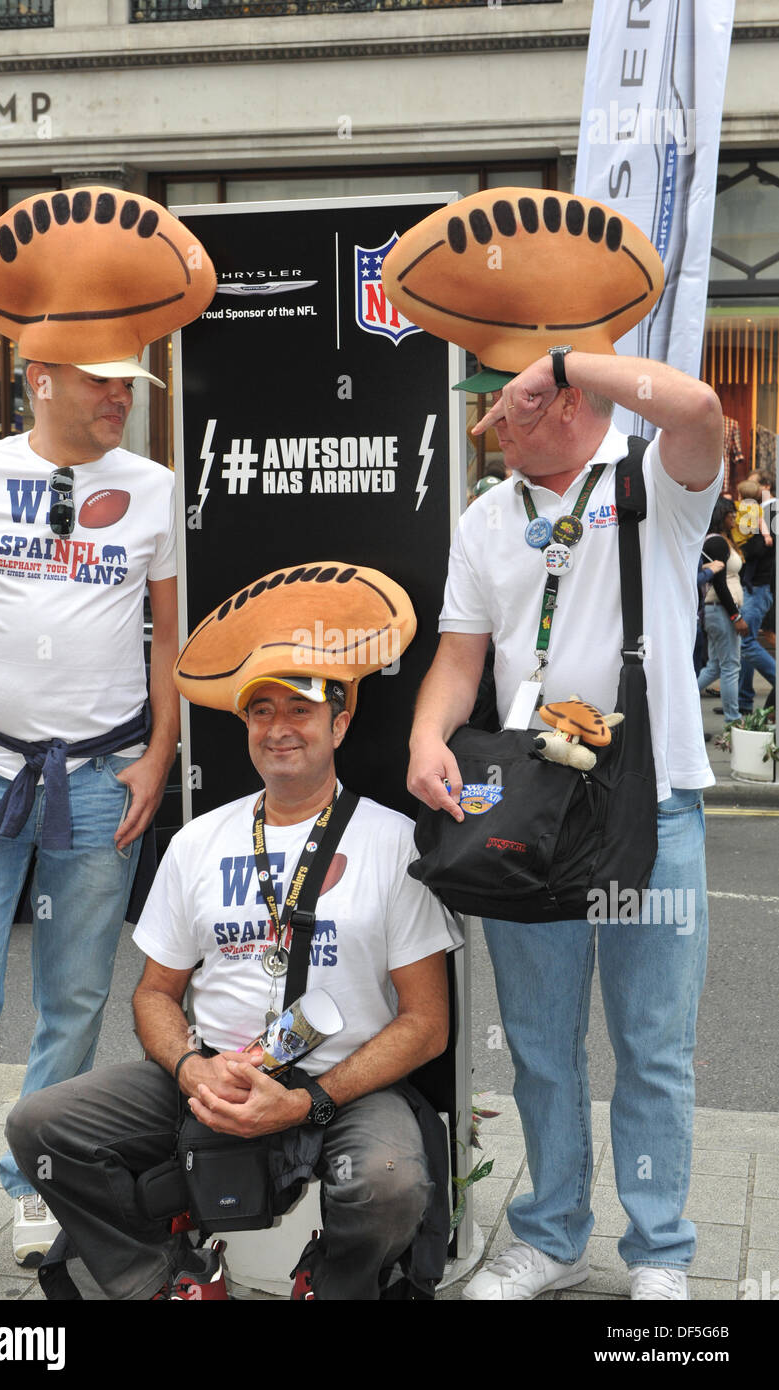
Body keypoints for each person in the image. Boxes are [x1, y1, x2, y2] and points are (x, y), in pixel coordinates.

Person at [408, 347, 723, 1301]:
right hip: (529, 813)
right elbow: (461, 658)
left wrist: (555, 357)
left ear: (570, 401)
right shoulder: (484, 516)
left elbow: (699, 404)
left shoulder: (652, 482)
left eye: (511, 406)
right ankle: (549, 1236)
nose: (494, 424)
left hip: (650, 805)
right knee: (540, 1045)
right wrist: (428, 737)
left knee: (651, 1047)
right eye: (491, 409)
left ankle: (659, 1250)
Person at [6, 665, 458, 1300]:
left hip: (345, 1086)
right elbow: (154, 994)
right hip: (214, 1073)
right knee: (40, 1124)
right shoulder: (198, 842)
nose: (279, 729)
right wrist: (192, 1069)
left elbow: (426, 1023)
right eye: (261, 712)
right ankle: (171, 1280)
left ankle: (330, 1282)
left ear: (340, 723)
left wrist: (308, 1100)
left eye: (299, 711)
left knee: (388, 1180)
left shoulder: (394, 841)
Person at [0, 357, 180, 1297]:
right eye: (101, 385)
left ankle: (37, 1181)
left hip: (105, 779)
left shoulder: (151, 488)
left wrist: (158, 754)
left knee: (73, 1004)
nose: (119, 402)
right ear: (40, 379)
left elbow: (169, 638)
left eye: (129, 391)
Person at [697, 497, 748, 724]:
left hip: (718, 611)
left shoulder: (721, 541)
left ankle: (680, 700)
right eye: (731, 514)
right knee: (730, 666)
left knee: (716, 666)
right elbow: (719, 583)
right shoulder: (716, 542)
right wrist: (735, 615)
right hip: (721, 610)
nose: (734, 518)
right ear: (720, 516)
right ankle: (733, 720)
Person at [735, 480, 776, 713]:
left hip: (758, 589)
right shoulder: (756, 521)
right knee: (743, 643)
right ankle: (744, 701)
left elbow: (758, 550)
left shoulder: (761, 523)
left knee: (747, 642)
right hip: (756, 588)